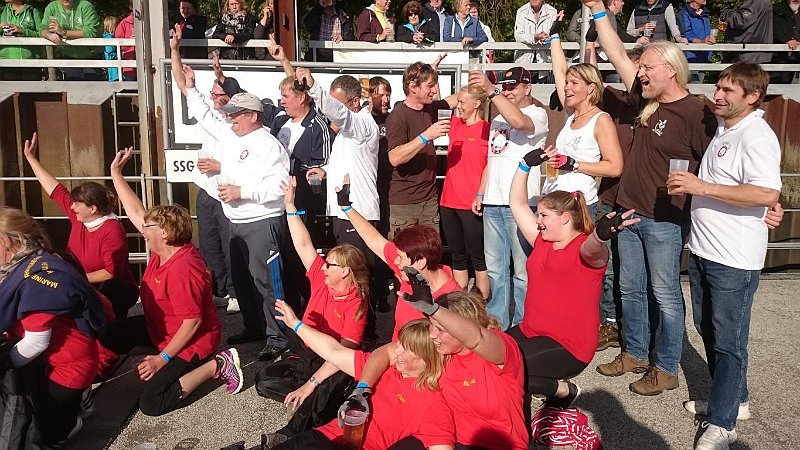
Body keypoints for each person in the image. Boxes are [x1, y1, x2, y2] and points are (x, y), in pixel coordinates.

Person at [581, 0, 718, 396]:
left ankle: (666, 366)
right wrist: (598, 10)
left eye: (647, 68)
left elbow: (717, 165)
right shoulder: (647, 101)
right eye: (640, 68)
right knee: (630, 289)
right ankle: (636, 353)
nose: (640, 73)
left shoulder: (697, 112)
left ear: (670, 70)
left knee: (666, 296)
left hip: (665, 219)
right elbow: (616, 53)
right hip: (629, 212)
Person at [668, 63, 782, 450]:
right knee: (710, 330)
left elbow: (766, 192)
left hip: (734, 258)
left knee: (729, 342)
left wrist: (700, 186)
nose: (718, 95)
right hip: (705, 250)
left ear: (753, 97)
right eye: (718, 87)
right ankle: (734, 399)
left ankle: (723, 422)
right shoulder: (726, 127)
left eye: (729, 90)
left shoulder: (756, 135)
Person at [171, 25, 292, 361]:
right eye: (229, 115)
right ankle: (255, 326)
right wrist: (191, 87)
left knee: (267, 282)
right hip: (235, 221)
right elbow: (204, 114)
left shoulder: (269, 144)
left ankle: (278, 337)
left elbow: (281, 187)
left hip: (262, 222)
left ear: (253, 116)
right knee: (244, 280)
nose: (230, 119)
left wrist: (243, 191)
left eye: (235, 115)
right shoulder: (230, 135)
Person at [104, 147, 243, 417]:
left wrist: (162, 359)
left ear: (165, 233)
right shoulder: (163, 249)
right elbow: (136, 211)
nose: (143, 231)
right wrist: (116, 174)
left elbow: (192, 323)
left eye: (148, 228)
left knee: (152, 404)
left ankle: (217, 365)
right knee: (109, 333)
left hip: (192, 341)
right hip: (160, 329)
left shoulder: (183, 269)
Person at [509, 144, 639, 406]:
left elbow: (593, 250)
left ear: (565, 218)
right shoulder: (542, 242)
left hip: (569, 345)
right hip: (530, 330)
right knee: (485, 356)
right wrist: (524, 164)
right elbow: (517, 203)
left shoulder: (584, 249)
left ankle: (562, 391)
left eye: (544, 215)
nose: (538, 221)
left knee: (510, 373)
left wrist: (600, 235)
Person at [256, 176, 368, 447]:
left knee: (325, 384)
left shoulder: (357, 305)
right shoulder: (321, 277)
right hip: (307, 354)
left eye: (330, 264)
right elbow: (303, 244)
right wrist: (290, 205)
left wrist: (311, 384)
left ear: (346, 271)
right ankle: (319, 402)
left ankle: (289, 432)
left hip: (334, 359)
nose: (323, 266)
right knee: (263, 381)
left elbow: (342, 354)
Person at [358, 290, 529, 449]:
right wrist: (362, 388)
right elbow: (387, 352)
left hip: (499, 445)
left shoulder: (500, 350)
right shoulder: (441, 353)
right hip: (448, 439)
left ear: (461, 330)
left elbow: (478, 338)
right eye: (431, 325)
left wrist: (436, 310)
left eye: (440, 329)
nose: (432, 334)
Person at [268, 308, 454, 450]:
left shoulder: (433, 404)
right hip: (325, 437)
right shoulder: (382, 370)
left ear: (425, 357)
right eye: (399, 344)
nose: (395, 351)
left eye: (405, 348)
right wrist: (295, 324)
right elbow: (334, 352)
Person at [0, 206, 107, 447]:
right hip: (51, 359)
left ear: (11, 241)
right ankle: (77, 398)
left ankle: (74, 408)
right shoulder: (38, 259)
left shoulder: (36, 281)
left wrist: (4, 363)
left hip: (69, 365)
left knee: (42, 433)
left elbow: (36, 342)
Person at [23, 133, 139, 321]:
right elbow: (55, 189)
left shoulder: (112, 229)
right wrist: (31, 159)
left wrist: (75, 277)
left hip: (111, 290)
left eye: (77, 204)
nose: (72, 207)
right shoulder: (79, 218)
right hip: (79, 282)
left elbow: (111, 273)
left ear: (92, 209)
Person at [468, 66, 549, 331]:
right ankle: (497, 322)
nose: (508, 91)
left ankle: (524, 325)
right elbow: (493, 159)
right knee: (495, 269)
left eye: (513, 87)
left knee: (523, 271)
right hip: (493, 202)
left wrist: (492, 92)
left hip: (523, 204)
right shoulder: (498, 118)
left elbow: (519, 122)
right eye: (505, 86)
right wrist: (481, 192)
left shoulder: (537, 113)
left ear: (528, 87)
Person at [338, 180, 461, 340]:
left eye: (400, 258)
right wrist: (346, 207)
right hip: (396, 349)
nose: (395, 262)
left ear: (421, 261)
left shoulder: (453, 301)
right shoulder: (412, 272)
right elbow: (374, 240)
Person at [543, 36, 623, 218]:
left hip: (579, 206)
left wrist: (574, 164)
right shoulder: (572, 114)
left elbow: (615, 167)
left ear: (591, 88)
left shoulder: (601, 120)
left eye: (574, 83)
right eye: (567, 83)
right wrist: (555, 37)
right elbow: (559, 71)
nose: (567, 88)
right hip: (555, 200)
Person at [385, 61, 454, 237]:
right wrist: (426, 136)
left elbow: (455, 99)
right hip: (405, 202)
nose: (434, 91)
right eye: (430, 86)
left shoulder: (429, 108)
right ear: (413, 87)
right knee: (404, 253)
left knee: (431, 251)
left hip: (429, 200)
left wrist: (481, 86)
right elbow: (394, 157)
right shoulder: (398, 116)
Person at [439, 85, 490, 300]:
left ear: (477, 103)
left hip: (471, 203)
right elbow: (440, 105)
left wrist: (480, 194)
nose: (458, 106)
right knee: (457, 254)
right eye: (458, 101)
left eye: (462, 102)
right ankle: (460, 302)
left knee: (478, 256)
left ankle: (482, 302)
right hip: (448, 201)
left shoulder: (488, 129)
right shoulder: (456, 125)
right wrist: (434, 74)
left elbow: (490, 166)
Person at [39, 0, 102, 80]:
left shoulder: (85, 6)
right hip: (68, 57)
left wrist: (63, 32)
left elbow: (91, 32)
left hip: (90, 57)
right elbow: (42, 29)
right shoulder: (52, 7)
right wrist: (49, 35)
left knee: (91, 85)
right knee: (72, 85)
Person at [514, 0, 559, 83]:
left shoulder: (552, 12)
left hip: (544, 61)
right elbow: (518, 36)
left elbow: (553, 35)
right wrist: (535, 37)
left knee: (544, 89)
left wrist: (546, 37)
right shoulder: (521, 11)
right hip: (524, 61)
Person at [0, 0, 43, 81]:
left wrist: (23, 31)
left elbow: (42, 34)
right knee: (10, 89)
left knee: (31, 88)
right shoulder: (2, 11)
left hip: (30, 62)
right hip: (6, 62)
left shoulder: (33, 11)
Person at [676, 0, 714, 84]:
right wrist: (703, 41)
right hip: (691, 56)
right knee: (693, 85)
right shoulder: (683, 13)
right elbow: (687, 35)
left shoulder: (705, 13)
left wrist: (711, 39)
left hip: (704, 55)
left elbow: (707, 32)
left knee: (699, 84)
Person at [773, 0, 800, 83]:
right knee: (779, 83)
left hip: (797, 56)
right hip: (780, 55)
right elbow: (775, 28)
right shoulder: (777, 10)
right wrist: (787, 40)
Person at [114, 1, 136, 81]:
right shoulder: (124, 23)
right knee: (130, 87)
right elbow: (117, 44)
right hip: (129, 64)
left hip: (147, 64)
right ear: (131, 7)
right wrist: (128, 41)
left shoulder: (149, 22)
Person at [103, 16, 119, 82]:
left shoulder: (106, 37)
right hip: (114, 71)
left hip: (113, 70)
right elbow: (110, 55)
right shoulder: (109, 38)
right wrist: (122, 54)